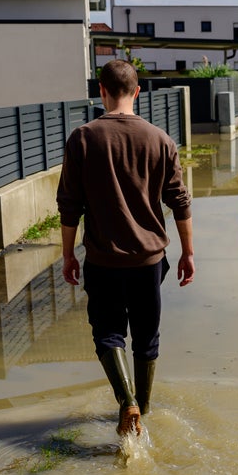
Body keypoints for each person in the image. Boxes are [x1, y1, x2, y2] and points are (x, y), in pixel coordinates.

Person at [57, 59, 194, 437]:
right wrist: (188, 252)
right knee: (146, 338)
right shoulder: (160, 139)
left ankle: (126, 402)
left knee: (108, 334)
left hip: (103, 260)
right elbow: (179, 201)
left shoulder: (82, 138)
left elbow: (69, 204)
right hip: (149, 260)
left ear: (101, 91)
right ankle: (142, 416)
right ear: (137, 92)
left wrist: (69, 254)